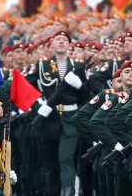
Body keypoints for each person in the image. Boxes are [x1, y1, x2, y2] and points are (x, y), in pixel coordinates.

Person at [29, 30, 89, 196]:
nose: (62, 42)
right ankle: (52, 191)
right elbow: (26, 88)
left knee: (66, 157)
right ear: (52, 44)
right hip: (49, 119)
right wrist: (38, 106)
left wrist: (79, 85)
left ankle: (68, 190)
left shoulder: (77, 66)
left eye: (65, 40)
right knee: (49, 162)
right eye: (58, 39)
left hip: (70, 119)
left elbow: (87, 95)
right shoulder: (42, 66)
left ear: (70, 45)